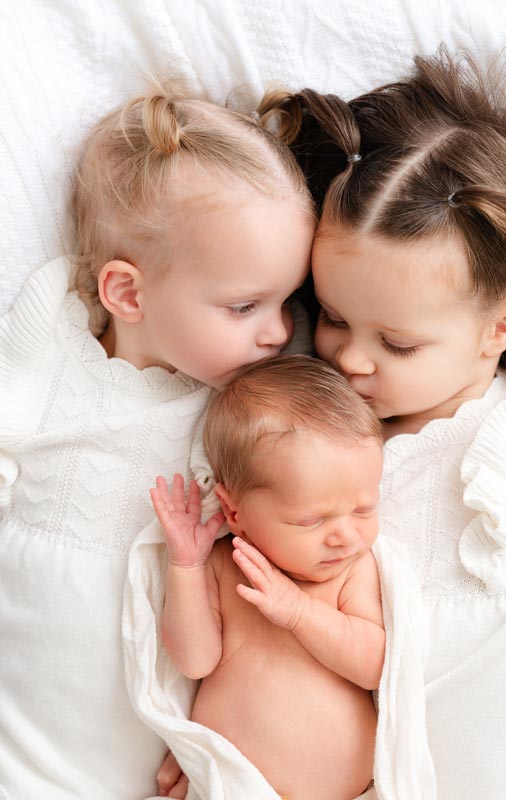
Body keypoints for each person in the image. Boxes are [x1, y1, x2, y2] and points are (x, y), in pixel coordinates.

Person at [262, 46, 506, 798]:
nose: (350, 359)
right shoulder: (336, 460)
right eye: (335, 317)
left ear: (501, 328)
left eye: (399, 343)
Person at [0, 81, 314, 799]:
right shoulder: (49, 351)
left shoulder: (237, 412)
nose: (277, 331)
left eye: (285, 302)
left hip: (152, 741)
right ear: (127, 294)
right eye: (244, 306)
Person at [149, 354, 384, 800]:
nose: (344, 535)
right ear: (235, 511)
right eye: (311, 521)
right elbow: (194, 661)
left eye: (363, 509)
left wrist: (297, 611)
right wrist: (186, 566)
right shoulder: (226, 564)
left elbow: (374, 666)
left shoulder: (352, 570)